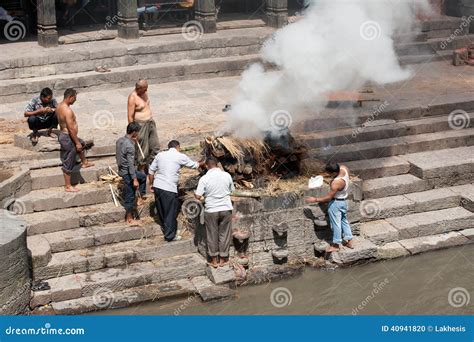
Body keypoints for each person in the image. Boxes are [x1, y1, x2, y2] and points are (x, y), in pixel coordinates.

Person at [148, 140, 204, 242]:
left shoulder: (160, 155)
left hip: (158, 186)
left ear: (169, 147)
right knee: (170, 212)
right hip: (169, 187)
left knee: (161, 210)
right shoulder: (180, 156)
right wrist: (204, 162)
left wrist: (151, 184)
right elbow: (195, 165)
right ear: (178, 147)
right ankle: (170, 236)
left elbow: (151, 171)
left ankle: (166, 229)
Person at [195, 157, 235, 268]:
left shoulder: (204, 178)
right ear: (217, 165)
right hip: (225, 209)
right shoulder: (227, 175)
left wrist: (200, 195)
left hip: (211, 210)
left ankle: (214, 261)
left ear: (207, 166)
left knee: (212, 235)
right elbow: (232, 191)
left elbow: (198, 196)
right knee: (224, 234)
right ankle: (223, 259)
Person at [306, 162, 353, 252]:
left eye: (329, 174)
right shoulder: (344, 168)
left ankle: (336, 245)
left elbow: (328, 197)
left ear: (334, 173)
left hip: (336, 204)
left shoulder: (336, 182)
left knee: (336, 224)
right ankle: (349, 240)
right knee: (344, 221)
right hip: (343, 201)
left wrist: (315, 199)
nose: (328, 175)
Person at [56, 88, 94, 192]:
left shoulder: (59, 106)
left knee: (82, 143)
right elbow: (71, 129)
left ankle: (84, 162)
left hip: (65, 135)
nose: (75, 100)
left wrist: (78, 142)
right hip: (68, 137)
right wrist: (76, 142)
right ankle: (68, 186)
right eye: (75, 98)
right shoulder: (67, 111)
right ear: (70, 97)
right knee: (69, 160)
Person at [116, 122, 147, 225]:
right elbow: (130, 164)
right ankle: (129, 218)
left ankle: (140, 197)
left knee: (142, 176)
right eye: (137, 132)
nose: (138, 134)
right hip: (128, 172)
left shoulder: (120, 141)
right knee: (129, 195)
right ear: (134, 133)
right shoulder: (130, 146)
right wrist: (134, 179)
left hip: (121, 169)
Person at [127, 79, 160, 168]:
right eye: (144, 89)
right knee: (142, 150)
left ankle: (153, 167)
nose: (146, 91)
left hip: (150, 123)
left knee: (155, 146)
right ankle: (141, 170)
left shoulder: (144, 93)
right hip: (141, 125)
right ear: (139, 88)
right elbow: (130, 116)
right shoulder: (132, 97)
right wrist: (133, 132)